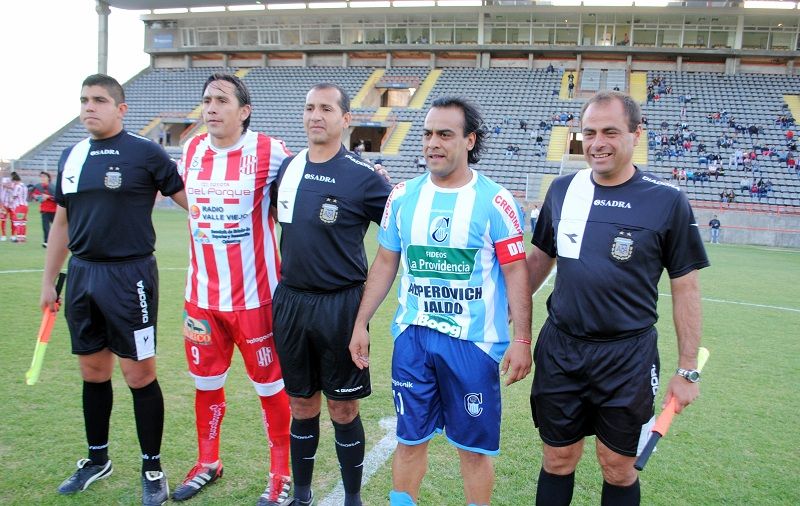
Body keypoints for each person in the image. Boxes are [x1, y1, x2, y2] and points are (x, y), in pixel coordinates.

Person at [526, 91, 709, 506]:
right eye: (589, 133)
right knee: (557, 459)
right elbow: (538, 261)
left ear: (636, 134)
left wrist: (687, 370)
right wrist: (509, 318)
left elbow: (686, 288)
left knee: (618, 467)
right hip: (561, 349)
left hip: (628, 357)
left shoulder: (667, 200)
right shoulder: (563, 190)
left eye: (610, 131)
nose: (597, 143)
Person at [348, 96, 532, 506]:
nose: (433, 143)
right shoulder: (402, 196)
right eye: (428, 133)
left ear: (470, 140)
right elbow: (385, 262)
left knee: (473, 450)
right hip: (413, 339)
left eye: (445, 134)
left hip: (472, 345)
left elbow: (516, 272)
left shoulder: (496, 201)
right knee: (409, 440)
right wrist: (361, 323)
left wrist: (522, 339)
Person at [39, 74, 187, 506]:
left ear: (121, 109)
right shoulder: (72, 155)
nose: (89, 107)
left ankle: (152, 466)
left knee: (139, 374)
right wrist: (48, 280)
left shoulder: (146, 152)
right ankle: (97, 459)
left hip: (131, 277)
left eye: (99, 100)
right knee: (92, 371)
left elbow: (194, 204)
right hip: (83, 275)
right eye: (84, 100)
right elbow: (62, 223)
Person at [171, 73, 293, 505]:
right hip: (201, 299)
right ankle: (208, 462)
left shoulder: (270, 151)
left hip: (256, 298)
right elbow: (185, 200)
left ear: (244, 111)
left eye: (222, 100)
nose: (211, 107)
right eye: (207, 99)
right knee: (205, 383)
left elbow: (298, 192)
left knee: (271, 387)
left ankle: (281, 474)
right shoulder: (191, 149)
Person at [272, 83, 392, 506]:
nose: (315, 116)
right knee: (301, 405)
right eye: (309, 108)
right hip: (291, 302)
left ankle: (352, 497)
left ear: (345, 119)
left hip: (341, 306)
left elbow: (397, 232)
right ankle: (302, 495)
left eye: (326, 108)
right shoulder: (287, 168)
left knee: (343, 409)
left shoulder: (364, 177)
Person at [32, 171, 57, 247]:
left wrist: (48, 197)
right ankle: (47, 242)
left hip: (54, 210)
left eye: (44, 177)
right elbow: (34, 195)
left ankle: (58, 241)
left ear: (48, 178)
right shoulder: (39, 187)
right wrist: (37, 197)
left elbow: (57, 198)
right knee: (45, 227)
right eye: (41, 177)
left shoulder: (53, 187)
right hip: (44, 210)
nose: (42, 178)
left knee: (56, 227)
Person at [8, 172, 28, 243]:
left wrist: (10, 201)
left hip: (19, 206)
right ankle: (23, 238)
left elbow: (14, 196)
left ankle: (19, 238)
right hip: (25, 206)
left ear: (15, 180)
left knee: (18, 222)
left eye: (13, 182)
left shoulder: (17, 186)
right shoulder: (24, 186)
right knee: (22, 222)